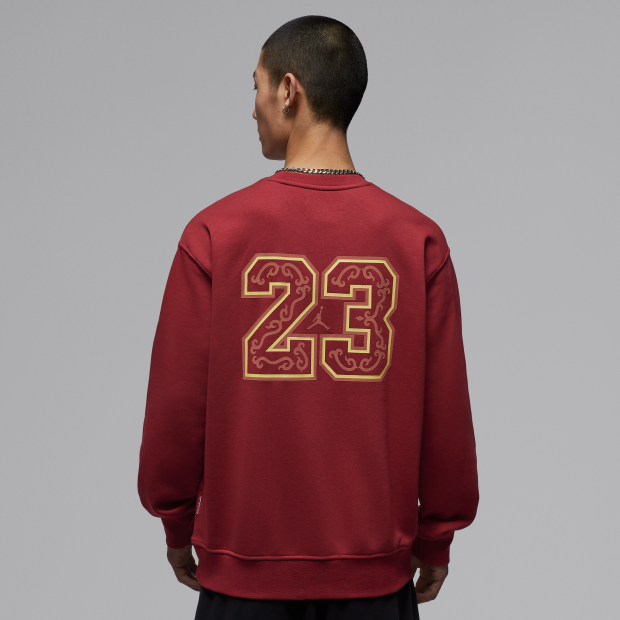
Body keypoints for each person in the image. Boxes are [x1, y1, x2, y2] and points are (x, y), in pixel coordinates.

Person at [138, 15, 479, 620]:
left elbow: (176, 404)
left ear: (289, 90)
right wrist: (436, 537)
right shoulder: (418, 241)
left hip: (244, 578)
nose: (252, 107)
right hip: (375, 581)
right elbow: (446, 414)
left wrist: (175, 522)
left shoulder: (214, 234)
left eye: (256, 86)